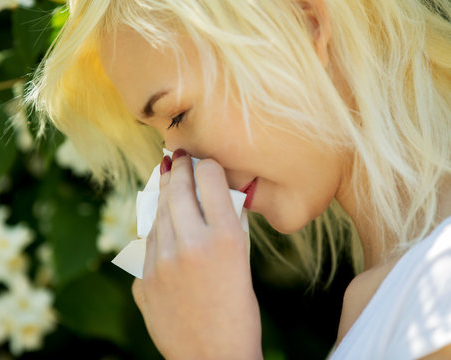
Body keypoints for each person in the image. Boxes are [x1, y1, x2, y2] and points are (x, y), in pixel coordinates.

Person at [28, 0, 451, 358]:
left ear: (306, 24)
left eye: (178, 114)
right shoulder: (376, 297)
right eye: (160, 133)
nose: (181, 166)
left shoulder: (440, 282)